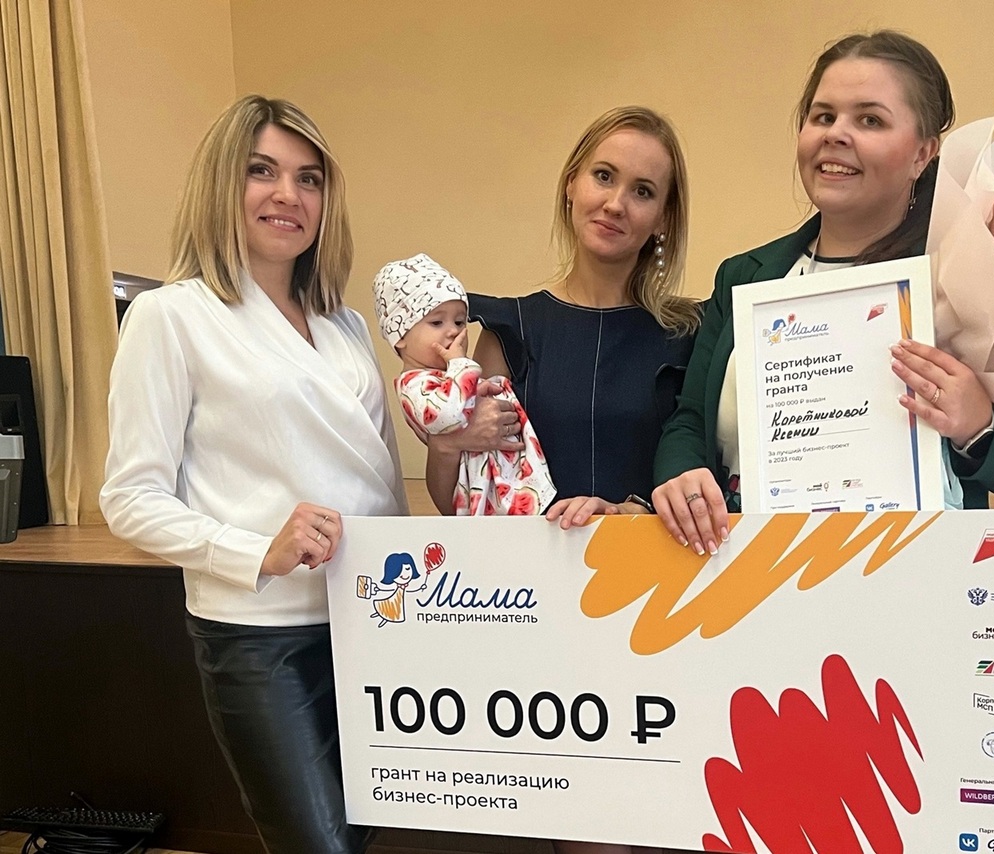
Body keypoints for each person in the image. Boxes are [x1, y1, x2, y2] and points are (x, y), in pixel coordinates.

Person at [99, 95, 407, 854]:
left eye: (309, 178)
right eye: (261, 171)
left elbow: (381, 478)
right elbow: (129, 498)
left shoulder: (345, 325)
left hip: (371, 620)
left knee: (363, 834)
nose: (287, 194)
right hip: (260, 637)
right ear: (220, 183)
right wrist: (256, 551)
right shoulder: (170, 317)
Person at [652, 30, 994, 555]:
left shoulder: (965, 279)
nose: (836, 134)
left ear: (923, 153)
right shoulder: (744, 277)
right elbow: (690, 419)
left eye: (869, 120)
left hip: (915, 578)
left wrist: (978, 422)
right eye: (822, 116)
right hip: (754, 574)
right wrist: (682, 472)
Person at [424, 106, 701, 535]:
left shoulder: (690, 335)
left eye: (642, 191)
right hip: (525, 575)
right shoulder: (509, 330)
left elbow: (713, 476)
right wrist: (445, 444)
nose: (615, 204)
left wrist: (634, 514)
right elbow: (465, 504)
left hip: (652, 570)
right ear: (572, 183)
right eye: (604, 176)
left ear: (663, 217)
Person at [373, 252, 556, 515]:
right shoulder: (413, 385)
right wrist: (461, 365)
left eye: (459, 321)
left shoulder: (445, 377)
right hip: (478, 497)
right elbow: (448, 414)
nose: (453, 331)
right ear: (399, 336)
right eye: (436, 322)